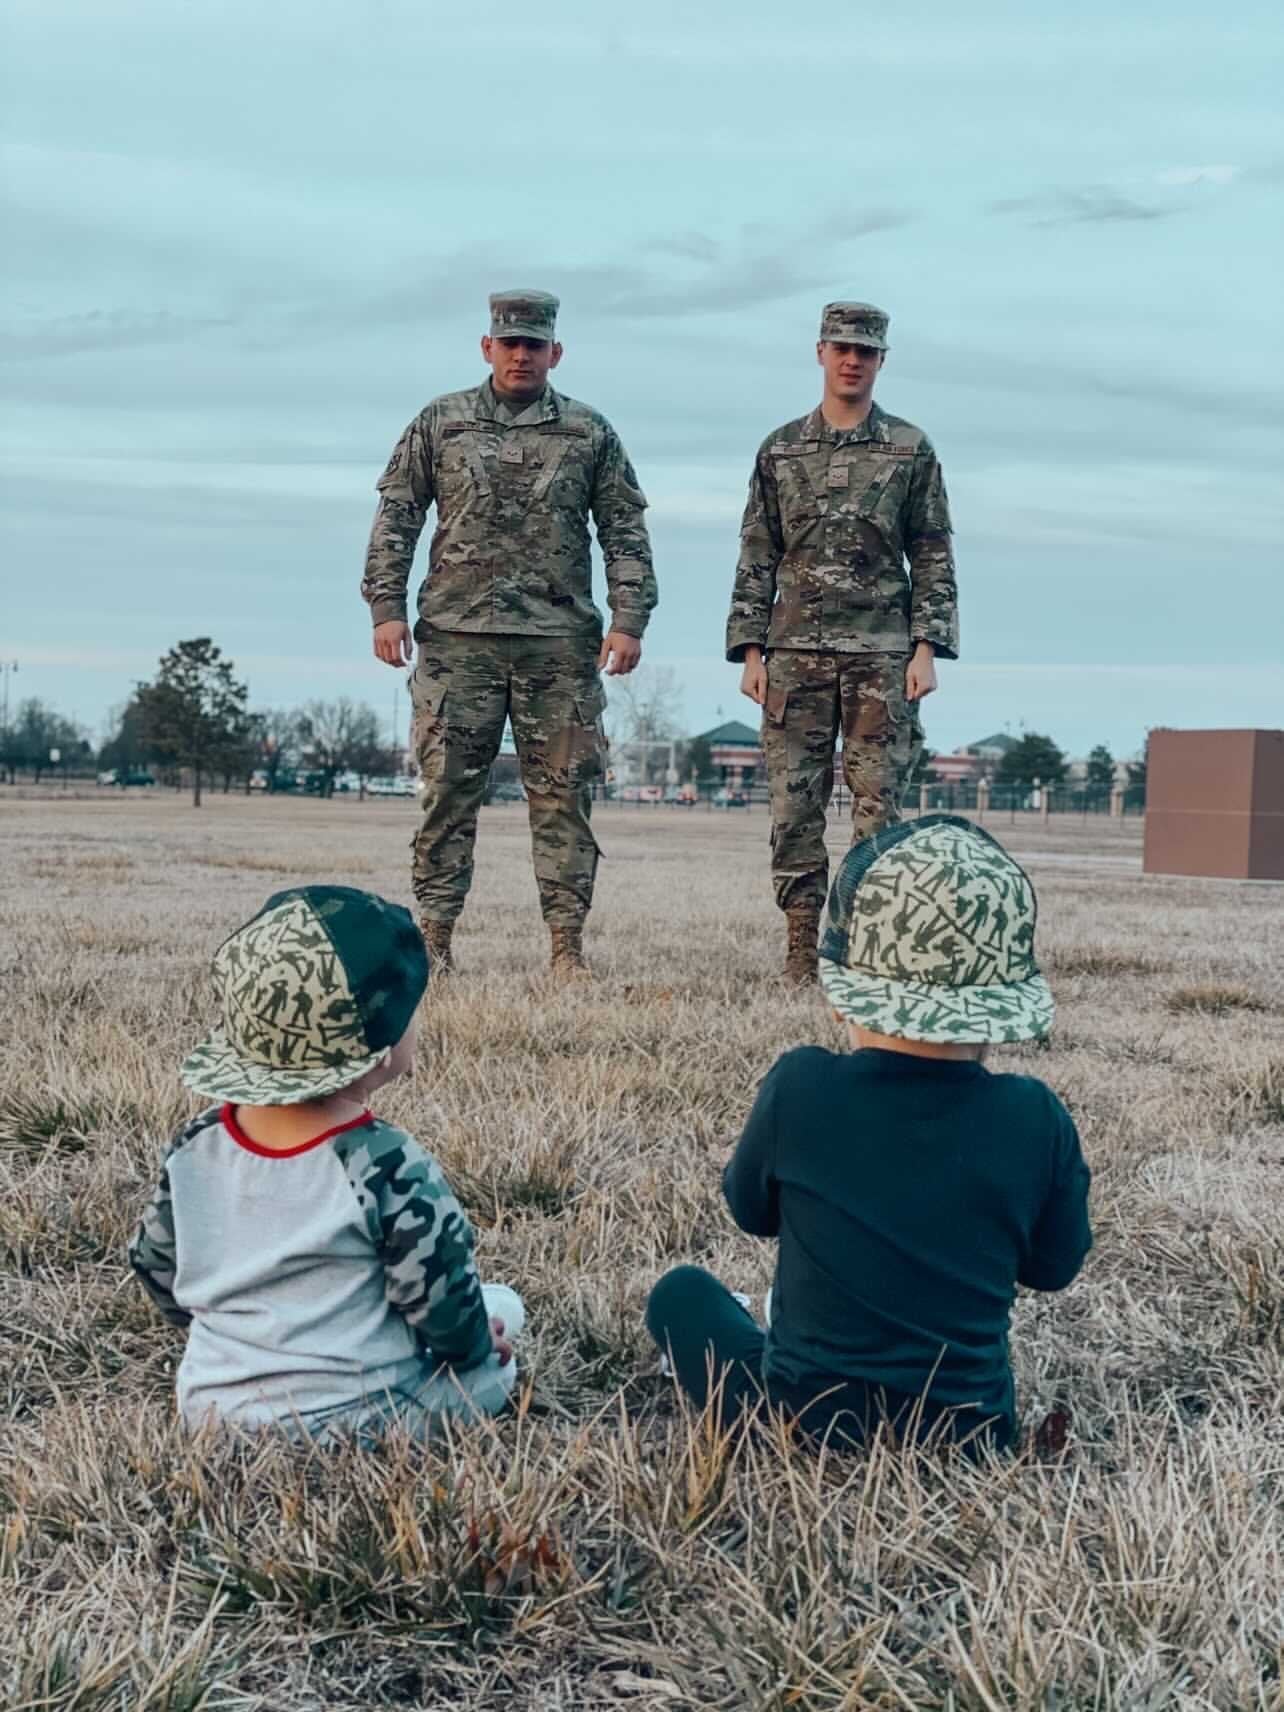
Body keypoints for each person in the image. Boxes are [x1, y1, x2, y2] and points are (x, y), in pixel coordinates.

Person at [646, 815, 1092, 1457]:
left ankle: (764, 1321)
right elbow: (1054, 1268)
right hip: (971, 1438)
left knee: (681, 1293)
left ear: (842, 992)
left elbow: (750, 1212)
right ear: (1003, 1000)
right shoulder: (1036, 1116)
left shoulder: (799, 1086)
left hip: (800, 1426)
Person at [128, 885, 524, 1442]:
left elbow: (154, 1264)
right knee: (497, 1344)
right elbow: (440, 1299)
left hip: (210, 1410)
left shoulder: (195, 1144)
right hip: (357, 1419)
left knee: (493, 1306)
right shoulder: (385, 1163)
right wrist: (475, 1346)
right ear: (383, 1043)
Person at [362, 289, 658, 977]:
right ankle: (434, 943)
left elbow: (624, 531)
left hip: (558, 647)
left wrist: (629, 619)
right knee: (446, 796)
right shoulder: (441, 422)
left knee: (564, 801)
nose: (521, 354)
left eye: (534, 344)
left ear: (555, 352)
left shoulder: (589, 432)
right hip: (457, 642)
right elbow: (397, 517)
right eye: (509, 342)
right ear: (487, 346)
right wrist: (385, 607)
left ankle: (566, 948)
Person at [725, 301, 959, 984]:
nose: (852, 360)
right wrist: (749, 650)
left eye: (865, 350)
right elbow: (756, 553)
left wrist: (927, 648)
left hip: (881, 657)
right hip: (793, 656)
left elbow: (934, 553)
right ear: (820, 353)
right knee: (794, 806)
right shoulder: (780, 449)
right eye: (840, 348)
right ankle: (802, 944)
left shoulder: (910, 450)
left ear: (881, 360)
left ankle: (862, 944)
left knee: (878, 807)